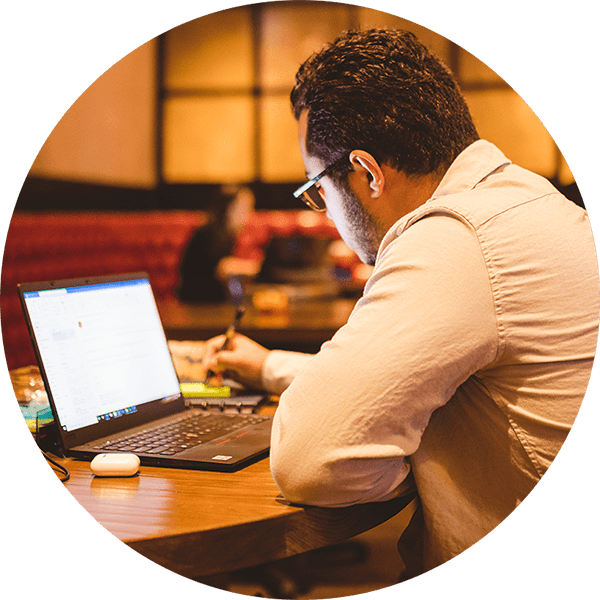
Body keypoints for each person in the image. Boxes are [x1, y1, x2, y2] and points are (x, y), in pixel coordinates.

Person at [202, 29, 598, 577]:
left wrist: (401, 448)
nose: (324, 212)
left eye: (318, 188)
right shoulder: (527, 201)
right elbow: (443, 383)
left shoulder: (457, 238)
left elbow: (312, 462)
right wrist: (269, 367)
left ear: (365, 173)